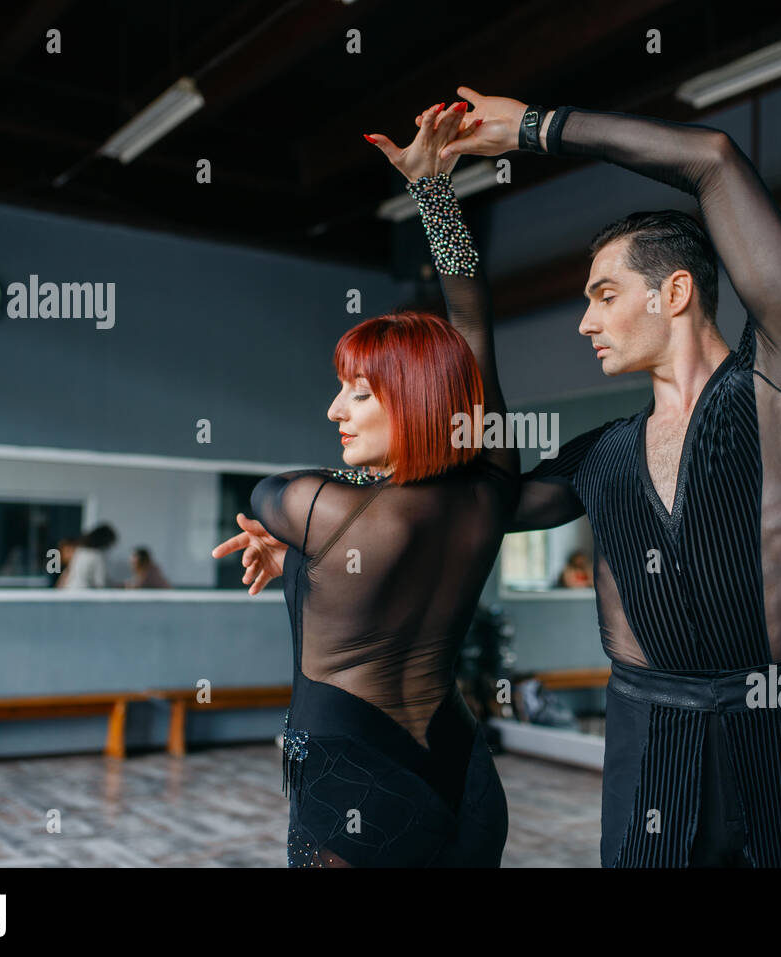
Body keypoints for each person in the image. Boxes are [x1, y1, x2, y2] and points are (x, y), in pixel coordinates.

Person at [437, 87, 781, 867]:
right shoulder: (599, 454)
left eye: (604, 294)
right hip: (648, 747)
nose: (586, 321)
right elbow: (483, 500)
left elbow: (714, 162)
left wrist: (534, 129)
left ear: (675, 291)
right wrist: (437, 206)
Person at [211, 101, 519, 867]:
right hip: (467, 778)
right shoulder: (489, 484)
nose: (334, 409)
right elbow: (472, 325)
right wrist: (436, 198)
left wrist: (300, 532)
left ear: (413, 402)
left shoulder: (323, 504)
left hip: (356, 785)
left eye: (357, 392)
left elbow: (267, 493)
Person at [59, 523, 116, 590]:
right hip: (84, 594)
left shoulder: (79, 552)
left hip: (69, 591)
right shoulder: (96, 555)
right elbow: (101, 583)